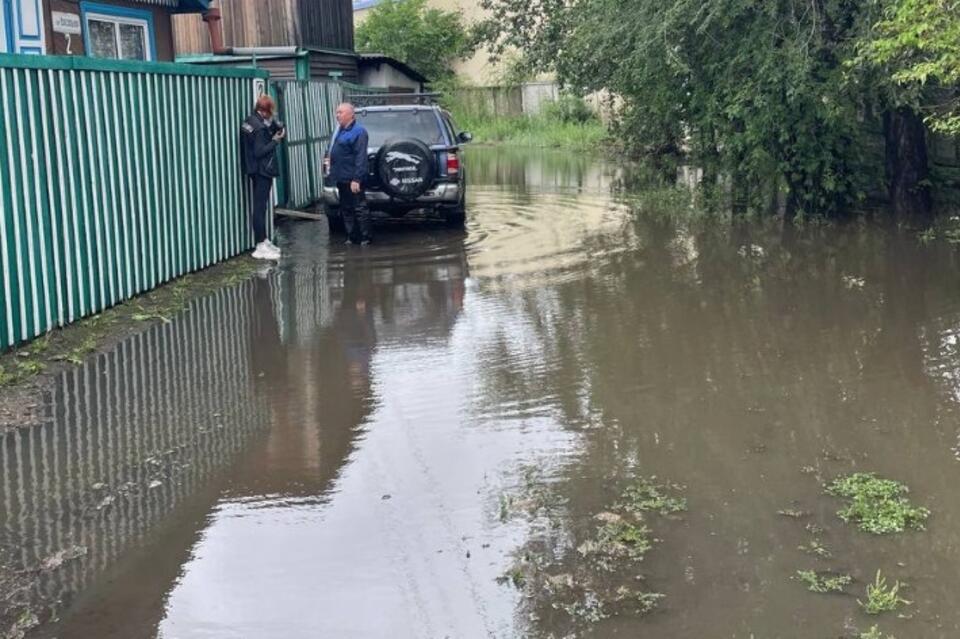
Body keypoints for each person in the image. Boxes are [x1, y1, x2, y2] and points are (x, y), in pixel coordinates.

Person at [241, 95, 286, 260]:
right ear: (265, 111)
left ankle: (264, 240)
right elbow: (259, 151)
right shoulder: (260, 128)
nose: (271, 114)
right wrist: (275, 141)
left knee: (260, 207)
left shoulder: (250, 121)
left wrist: (272, 127)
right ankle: (260, 245)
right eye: (270, 111)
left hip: (254, 169)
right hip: (263, 171)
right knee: (260, 208)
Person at [329, 103, 372, 245]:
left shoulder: (359, 132)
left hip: (353, 179)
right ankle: (351, 236)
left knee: (359, 208)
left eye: (340, 112)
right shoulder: (339, 130)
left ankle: (365, 237)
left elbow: (361, 157)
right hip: (341, 178)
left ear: (351, 115)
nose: (337, 115)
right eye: (337, 112)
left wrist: (357, 179)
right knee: (346, 209)